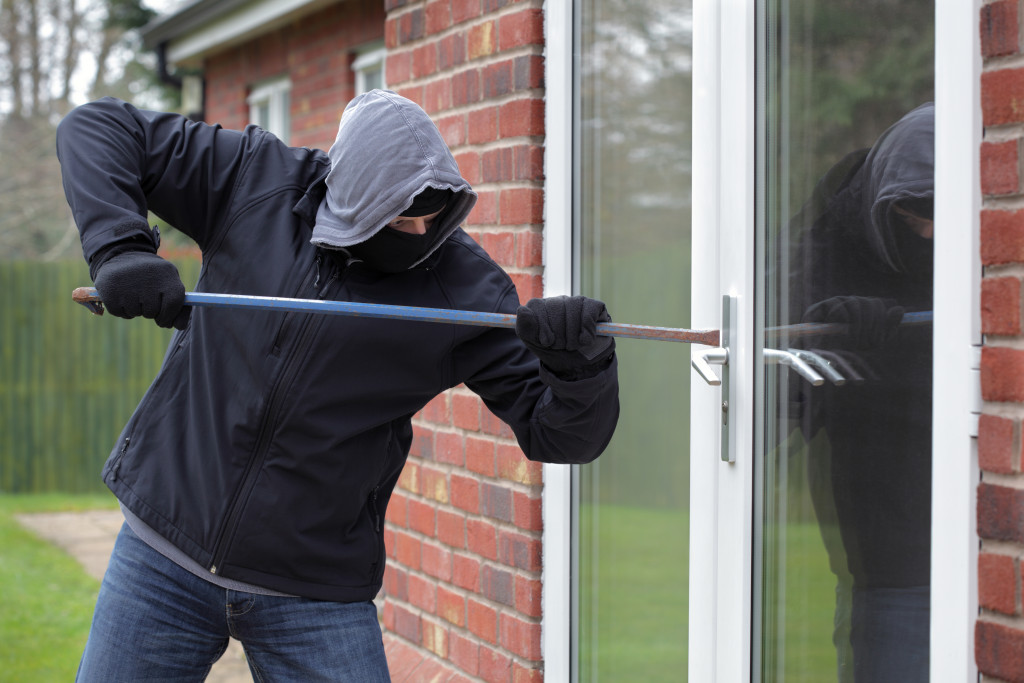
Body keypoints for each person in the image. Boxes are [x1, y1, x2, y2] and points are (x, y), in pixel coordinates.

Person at [56, 90, 620, 682]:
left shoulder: (466, 291)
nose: (422, 230)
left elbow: (562, 436)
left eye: (435, 214)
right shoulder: (257, 181)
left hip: (313, 590)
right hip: (161, 553)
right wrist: (119, 249)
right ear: (345, 191)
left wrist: (580, 366)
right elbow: (96, 126)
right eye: (403, 217)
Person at [782, 102, 934, 683]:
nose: (925, 231)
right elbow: (780, 359)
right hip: (884, 524)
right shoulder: (830, 236)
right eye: (912, 215)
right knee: (891, 645)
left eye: (939, 216)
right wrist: (834, 328)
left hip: (976, 501)